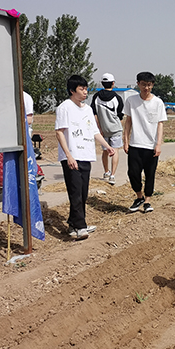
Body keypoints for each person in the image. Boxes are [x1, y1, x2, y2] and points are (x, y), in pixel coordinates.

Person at [55, 75, 115, 240]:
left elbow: (94, 131)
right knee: (75, 192)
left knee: (83, 192)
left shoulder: (87, 109)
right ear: (72, 90)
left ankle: (74, 223)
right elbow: (59, 132)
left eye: (86, 88)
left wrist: (107, 146)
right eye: (81, 89)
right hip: (72, 156)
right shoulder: (64, 108)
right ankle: (80, 226)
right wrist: (68, 155)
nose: (85, 92)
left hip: (85, 155)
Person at [123, 71, 167, 213]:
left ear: (152, 85)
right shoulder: (131, 101)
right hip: (135, 144)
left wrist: (158, 144)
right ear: (138, 84)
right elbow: (128, 121)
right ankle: (139, 196)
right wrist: (125, 140)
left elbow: (160, 124)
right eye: (143, 85)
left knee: (150, 174)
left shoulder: (158, 102)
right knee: (133, 173)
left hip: (151, 145)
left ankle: (147, 200)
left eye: (149, 85)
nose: (146, 88)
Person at [90, 73, 124, 185]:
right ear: (113, 83)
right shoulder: (117, 98)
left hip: (102, 130)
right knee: (115, 151)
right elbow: (120, 115)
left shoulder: (96, 97)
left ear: (102, 83)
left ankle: (106, 172)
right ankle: (113, 175)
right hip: (115, 129)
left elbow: (94, 114)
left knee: (105, 151)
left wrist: (98, 127)